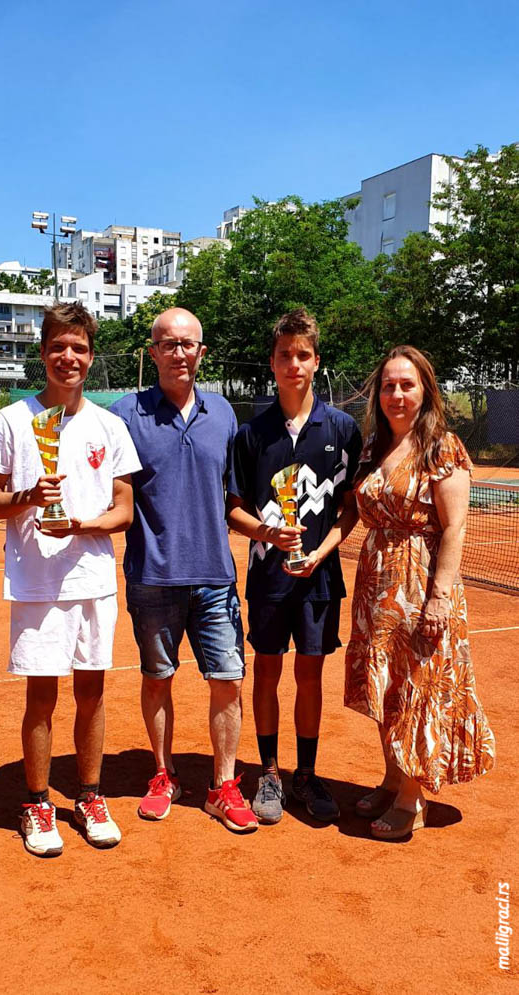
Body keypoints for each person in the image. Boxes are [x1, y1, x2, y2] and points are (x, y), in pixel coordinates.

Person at [0, 301, 140, 857]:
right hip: (37, 583)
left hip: (93, 579)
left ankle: (89, 795)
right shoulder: (12, 419)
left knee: (93, 694)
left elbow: (124, 509)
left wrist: (81, 524)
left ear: (90, 358)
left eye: (78, 348)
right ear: (42, 353)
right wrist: (26, 498)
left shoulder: (110, 425)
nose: (67, 357)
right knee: (41, 696)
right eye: (58, 347)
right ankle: (37, 802)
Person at [110, 307, 257, 833]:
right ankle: (162, 774)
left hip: (216, 578)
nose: (178, 353)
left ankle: (223, 785)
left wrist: (270, 530)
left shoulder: (223, 414)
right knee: (157, 679)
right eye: (167, 344)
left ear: (201, 352)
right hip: (151, 577)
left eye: (187, 344)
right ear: (152, 353)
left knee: (228, 681)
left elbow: (236, 495)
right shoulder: (127, 414)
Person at [344, 345, 496, 840]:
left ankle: (412, 797)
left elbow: (453, 529)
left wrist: (439, 597)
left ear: (426, 390)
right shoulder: (373, 447)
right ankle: (392, 775)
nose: (396, 394)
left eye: (407, 384)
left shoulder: (441, 446)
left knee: (416, 688)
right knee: (385, 686)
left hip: (420, 583)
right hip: (376, 584)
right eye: (388, 385)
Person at [227, 309, 362, 824]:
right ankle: (269, 772)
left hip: (320, 580)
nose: (293, 364)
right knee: (266, 670)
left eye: (302, 355)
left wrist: (322, 553)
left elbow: (349, 508)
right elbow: (233, 506)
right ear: (273, 362)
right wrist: (266, 533)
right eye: (285, 355)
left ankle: (306, 774)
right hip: (267, 578)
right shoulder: (251, 434)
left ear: (316, 362)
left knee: (310, 675)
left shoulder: (343, 430)